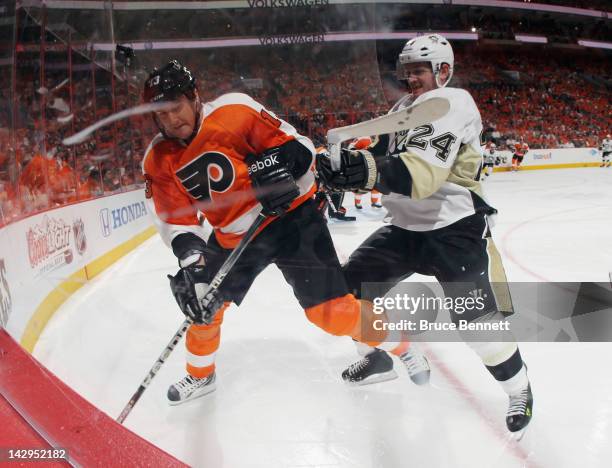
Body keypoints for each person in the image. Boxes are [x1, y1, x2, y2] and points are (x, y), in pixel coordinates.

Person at [141, 61, 427, 405]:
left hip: (293, 221)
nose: (172, 120)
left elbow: (300, 148)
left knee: (333, 314)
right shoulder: (158, 159)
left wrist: (281, 167)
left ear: (195, 98)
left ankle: (403, 346)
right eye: (162, 114)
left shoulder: (235, 110)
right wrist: (195, 263)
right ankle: (201, 376)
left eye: (176, 108)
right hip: (234, 237)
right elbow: (177, 222)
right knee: (202, 304)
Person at [317, 34, 533, 434]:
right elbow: (377, 158)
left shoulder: (454, 102)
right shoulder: (402, 109)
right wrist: (336, 168)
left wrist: (365, 172)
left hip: (455, 230)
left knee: (478, 326)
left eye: (419, 71)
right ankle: (378, 358)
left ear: (443, 71)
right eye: (408, 72)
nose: (411, 79)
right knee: (344, 295)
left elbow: (424, 176)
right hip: (404, 229)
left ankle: (519, 389)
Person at [350, 137, 383, 209]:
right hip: (363, 165)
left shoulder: (381, 140)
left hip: (374, 165)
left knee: (376, 183)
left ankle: (374, 202)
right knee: (361, 183)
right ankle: (357, 202)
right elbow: (351, 148)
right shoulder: (364, 138)